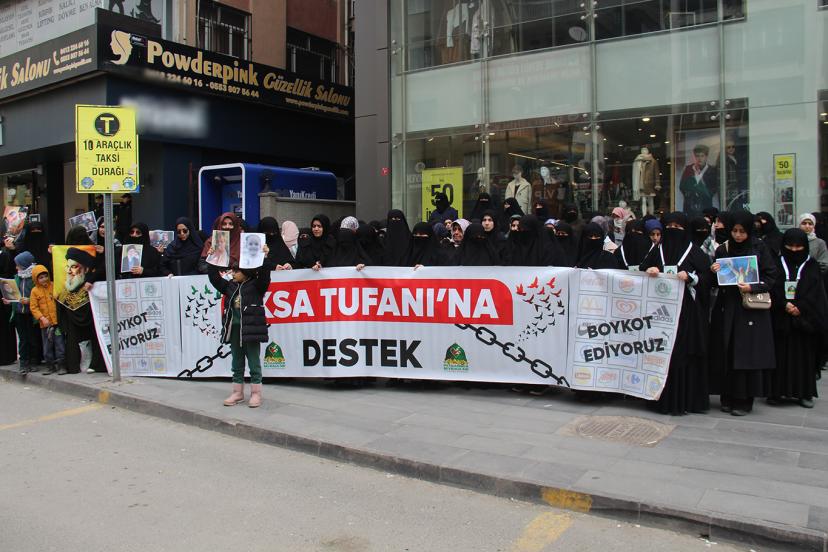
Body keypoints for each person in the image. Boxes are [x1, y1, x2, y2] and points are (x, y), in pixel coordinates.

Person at [640, 212, 712, 415]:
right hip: (660, 312)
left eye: (677, 227)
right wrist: (649, 270)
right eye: (669, 226)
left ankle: (688, 400)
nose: (673, 230)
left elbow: (708, 278)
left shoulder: (694, 251)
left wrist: (691, 277)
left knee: (684, 354)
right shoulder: (657, 249)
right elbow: (641, 271)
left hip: (687, 313)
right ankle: (661, 399)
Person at [709, 211, 778, 416]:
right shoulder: (723, 249)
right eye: (734, 231)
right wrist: (714, 271)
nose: (738, 235)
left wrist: (753, 287)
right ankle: (727, 395)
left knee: (746, 353)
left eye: (742, 231)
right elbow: (716, 282)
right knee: (727, 351)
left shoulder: (759, 247)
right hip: (727, 306)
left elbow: (771, 275)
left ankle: (744, 399)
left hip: (749, 310)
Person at [767, 228, 828, 408]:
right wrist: (784, 304)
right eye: (790, 246)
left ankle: (804, 393)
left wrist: (800, 306)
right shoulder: (777, 263)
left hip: (804, 319)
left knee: (804, 358)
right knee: (780, 356)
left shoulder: (812, 265)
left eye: (798, 247)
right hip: (781, 317)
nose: (794, 250)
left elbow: (817, 291)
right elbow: (773, 286)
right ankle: (777, 392)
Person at [207, 256, 271, 409]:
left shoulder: (257, 286)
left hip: (251, 330)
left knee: (254, 362)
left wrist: (265, 258)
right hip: (234, 330)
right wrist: (212, 259)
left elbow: (264, 275)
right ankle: (237, 393)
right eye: (232, 270)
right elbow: (214, 278)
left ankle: (256, 393)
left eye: (236, 271)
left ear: (246, 272)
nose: (233, 273)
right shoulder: (230, 286)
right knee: (236, 362)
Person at [57, 245, 103, 374]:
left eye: (74, 267)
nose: (69, 271)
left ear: (86, 269)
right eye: (68, 267)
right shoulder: (64, 294)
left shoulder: (93, 289)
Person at [29, 264, 64, 376]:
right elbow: (33, 307)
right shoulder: (34, 291)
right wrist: (42, 318)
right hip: (45, 325)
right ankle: (50, 366)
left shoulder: (54, 286)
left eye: (45, 276)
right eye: (41, 277)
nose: (44, 279)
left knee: (60, 344)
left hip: (57, 323)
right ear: (36, 279)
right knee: (47, 346)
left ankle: (61, 365)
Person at [3, 251, 35, 373]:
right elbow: (14, 295)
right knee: (23, 339)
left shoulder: (34, 277)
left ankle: (33, 361)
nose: (16, 267)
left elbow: (39, 295)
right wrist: (9, 300)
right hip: (18, 313)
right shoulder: (17, 278)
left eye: (18, 265)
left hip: (31, 313)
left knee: (32, 338)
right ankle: (24, 362)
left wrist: (29, 301)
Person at [679, 144, 718, 216]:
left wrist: (703, 190)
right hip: (690, 206)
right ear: (694, 157)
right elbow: (682, 186)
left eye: (702, 156)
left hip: (705, 205)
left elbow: (714, 188)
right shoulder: (688, 169)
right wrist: (691, 192)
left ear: (706, 157)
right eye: (697, 156)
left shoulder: (711, 170)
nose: (699, 158)